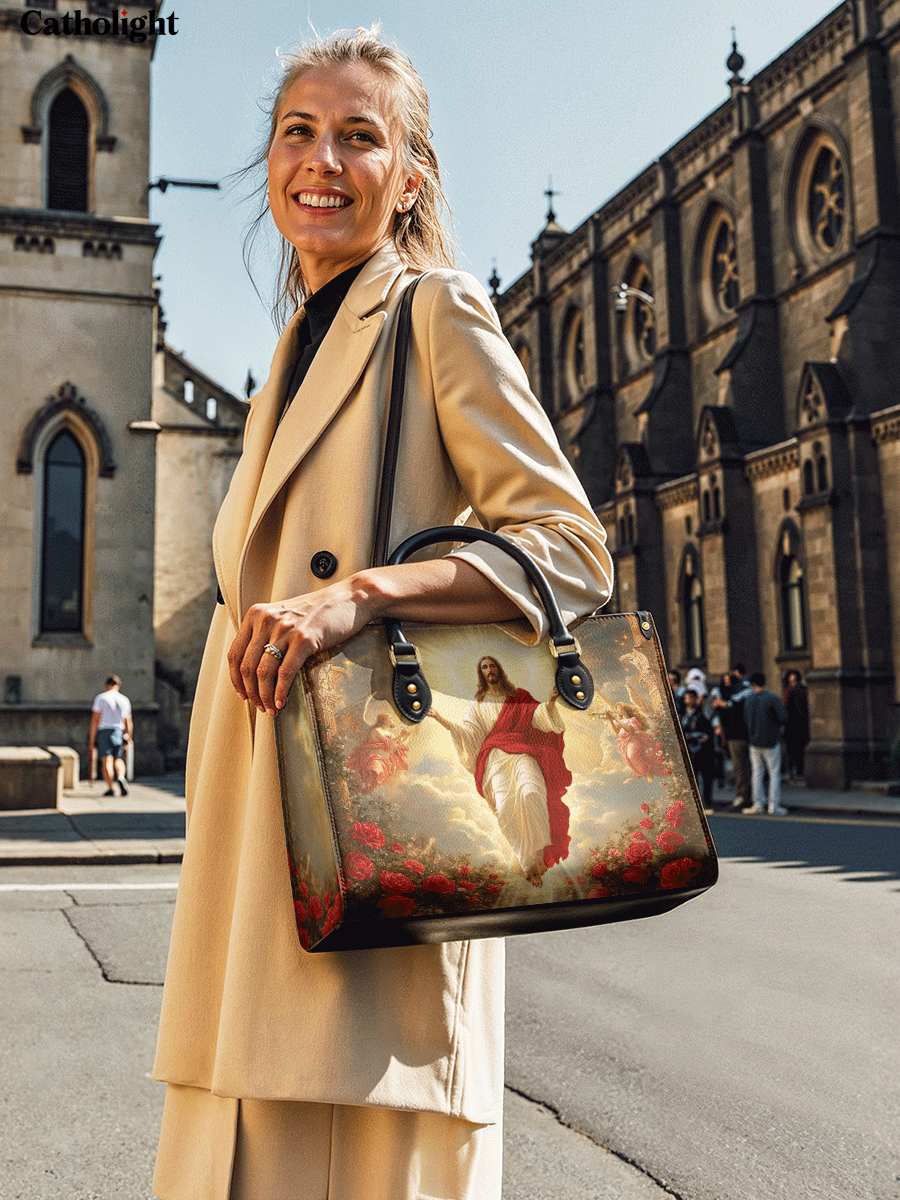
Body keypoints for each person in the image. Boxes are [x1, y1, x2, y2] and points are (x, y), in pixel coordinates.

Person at [151, 27, 613, 1200]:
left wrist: (360, 594)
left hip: (374, 860)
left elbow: (571, 550)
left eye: (359, 136)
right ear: (269, 163)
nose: (323, 160)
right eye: (298, 132)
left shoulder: (433, 311)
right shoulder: (289, 355)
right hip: (252, 867)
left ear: (408, 179)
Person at [428, 656, 571, 887]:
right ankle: (527, 862)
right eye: (484, 667)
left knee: (532, 793)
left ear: (499, 669)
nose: (489, 670)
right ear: (481, 673)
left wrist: (551, 703)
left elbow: (537, 717)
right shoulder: (477, 704)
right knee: (505, 809)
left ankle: (538, 857)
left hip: (522, 752)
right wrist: (441, 720)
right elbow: (470, 734)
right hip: (495, 758)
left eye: (492, 665)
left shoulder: (518, 696)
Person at [743, 673, 789, 815]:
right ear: (765, 682)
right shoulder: (772, 698)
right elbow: (783, 717)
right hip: (771, 741)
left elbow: (745, 719)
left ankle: (758, 804)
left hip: (754, 741)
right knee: (774, 773)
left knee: (757, 773)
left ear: (752, 684)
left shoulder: (748, 700)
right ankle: (773, 806)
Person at [711, 662, 753, 810]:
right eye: (725, 681)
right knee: (740, 766)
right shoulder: (727, 694)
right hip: (732, 734)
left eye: (730, 680)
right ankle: (744, 794)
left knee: (740, 767)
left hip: (738, 734)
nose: (727, 683)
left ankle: (743, 796)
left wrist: (724, 704)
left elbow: (733, 705)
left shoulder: (739, 694)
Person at [88, 674, 131, 797]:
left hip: (104, 731)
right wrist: (128, 735)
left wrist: (92, 739)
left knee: (107, 760)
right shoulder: (124, 699)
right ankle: (121, 777)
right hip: (118, 731)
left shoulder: (101, 698)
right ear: (118, 685)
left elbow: (95, 720)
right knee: (118, 758)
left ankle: (111, 787)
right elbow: (128, 721)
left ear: (106, 685)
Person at [680, 687, 715, 810]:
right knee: (691, 778)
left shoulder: (701, 714)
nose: (687, 700)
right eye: (686, 698)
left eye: (689, 698)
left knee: (706, 777)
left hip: (702, 751)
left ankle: (706, 802)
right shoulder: (682, 715)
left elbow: (707, 733)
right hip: (688, 750)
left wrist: (693, 736)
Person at [782, 669, 810, 782]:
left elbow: (785, 706)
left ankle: (794, 772)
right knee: (799, 750)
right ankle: (798, 772)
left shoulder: (789, 690)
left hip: (792, 724)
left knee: (792, 750)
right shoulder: (803, 689)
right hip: (801, 723)